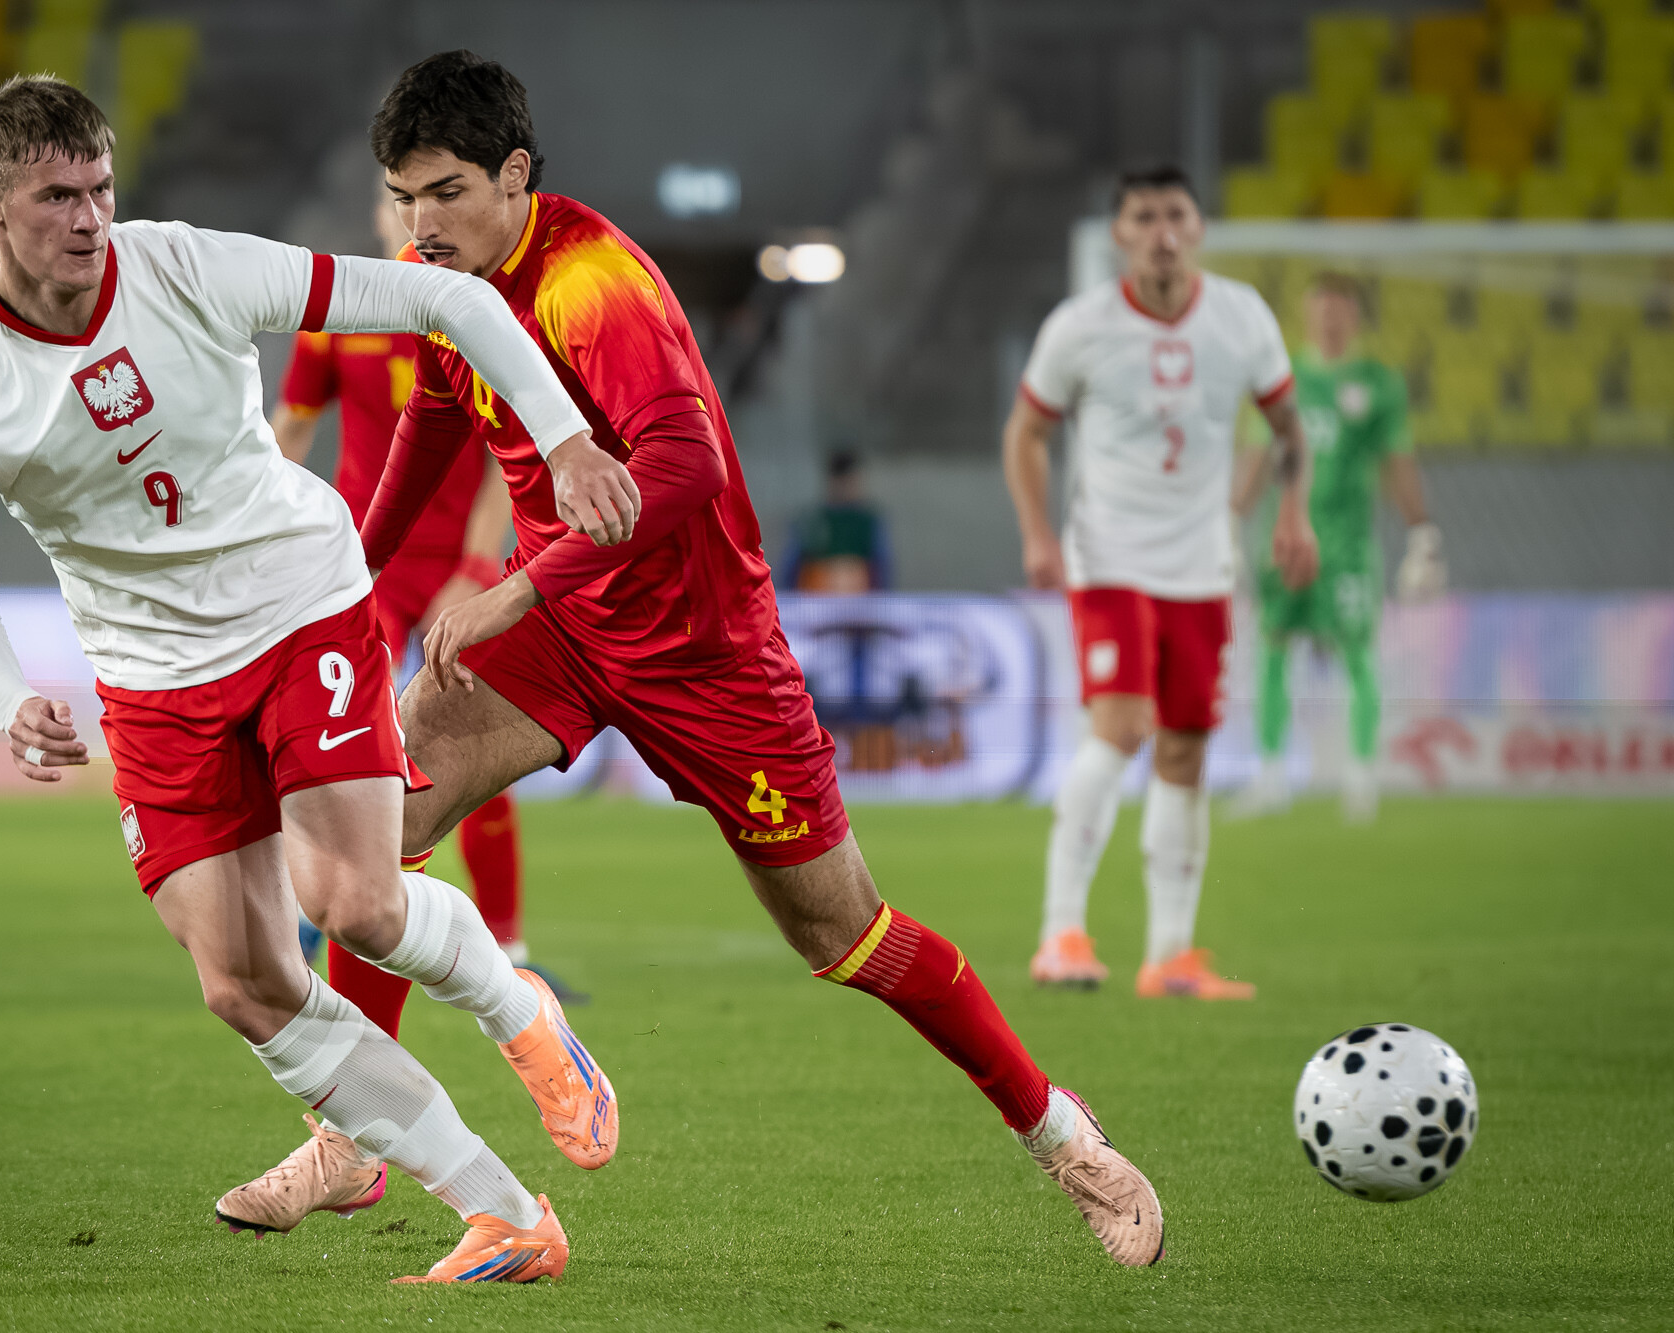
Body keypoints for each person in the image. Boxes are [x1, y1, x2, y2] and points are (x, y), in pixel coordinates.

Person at [357, 50, 1164, 1267]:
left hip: (705, 654)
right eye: (404, 197)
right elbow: (431, 417)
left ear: (514, 174)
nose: (420, 224)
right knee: (374, 824)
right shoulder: (447, 283)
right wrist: (349, 575)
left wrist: (511, 585)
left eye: (445, 193)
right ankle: (357, 1134)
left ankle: (1059, 1131)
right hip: (564, 630)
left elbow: (684, 470)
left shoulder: (590, 285)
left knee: (843, 935)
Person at [0, 75, 634, 1283]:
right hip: (150, 681)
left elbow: (444, 296)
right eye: (56, 197)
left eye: (100, 188)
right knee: (243, 984)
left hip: (297, 607)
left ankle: (518, 1009)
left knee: (355, 903)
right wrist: (5, 698)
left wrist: (564, 439)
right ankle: (504, 1214)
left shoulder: (185, 266)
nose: (88, 218)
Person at [1003, 164, 1319, 1000]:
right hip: (1110, 557)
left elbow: (1289, 427)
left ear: (1199, 227)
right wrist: (1037, 532)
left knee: (1185, 744)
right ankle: (1061, 934)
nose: (1162, 233)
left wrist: (1293, 513)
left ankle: (1170, 955)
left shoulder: (1242, 317)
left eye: (1175, 214)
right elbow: (1026, 431)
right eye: (1143, 217)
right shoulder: (1081, 326)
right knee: (1121, 725)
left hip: (1202, 563)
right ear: (1120, 234)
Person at [271, 201, 579, 1030]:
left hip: (459, 566)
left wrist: (477, 570)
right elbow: (290, 430)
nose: (413, 216)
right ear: (381, 211)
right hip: (364, 564)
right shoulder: (337, 317)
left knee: (470, 744)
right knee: (344, 752)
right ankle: (316, 915)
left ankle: (510, 949)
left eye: (428, 199)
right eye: (398, 198)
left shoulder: (473, 311)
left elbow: (504, 457)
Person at [1232, 272, 1443, 823]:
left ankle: (1361, 779)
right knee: (1273, 647)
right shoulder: (1280, 378)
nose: (1329, 319)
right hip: (1285, 540)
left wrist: (1421, 531)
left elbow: (1397, 460)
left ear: (1354, 316)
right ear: (1307, 314)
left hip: (1347, 543)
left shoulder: (1378, 384)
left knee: (1358, 651)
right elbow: (1258, 453)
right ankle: (1271, 776)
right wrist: (1230, 522)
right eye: (1320, 308)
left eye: (1339, 309)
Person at [780, 450, 893, 593]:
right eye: (847, 480)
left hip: (859, 602)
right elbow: (791, 568)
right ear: (834, 480)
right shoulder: (812, 520)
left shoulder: (869, 521)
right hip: (815, 600)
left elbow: (883, 567)